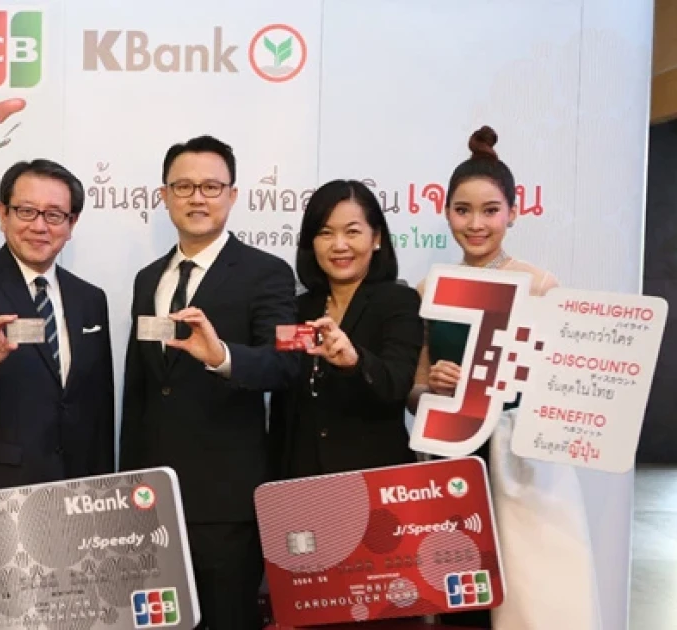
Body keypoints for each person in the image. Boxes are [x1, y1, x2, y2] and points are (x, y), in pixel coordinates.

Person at [410, 127, 600, 629]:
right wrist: (432, 386)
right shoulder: (431, 288)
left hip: (523, 463)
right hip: (454, 456)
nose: (475, 224)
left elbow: (563, 383)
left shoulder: (538, 284)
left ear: (513, 213)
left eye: (490, 211)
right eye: (463, 210)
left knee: (527, 593)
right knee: (463, 594)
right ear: (446, 212)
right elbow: (414, 390)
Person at [119, 135, 300, 630]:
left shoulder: (267, 273)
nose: (197, 198)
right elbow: (140, 389)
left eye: (211, 187)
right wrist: (128, 483)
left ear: (233, 195)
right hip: (152, 501)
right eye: (183, 186)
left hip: (226, 501)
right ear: (164, 196)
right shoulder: (147, 278)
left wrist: (222, 357)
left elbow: (285, 367)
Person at [0, 158, 115, 628]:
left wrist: (100, 501)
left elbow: (96, 407)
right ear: (2, 213)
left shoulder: (90, 299)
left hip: (68, 508)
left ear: (71, 224)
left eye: (54, 215)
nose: (39, 225)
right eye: (26, 211)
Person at [276, 179, 423, 481]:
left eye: (352, 232)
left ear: (376, 238)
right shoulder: (297, 307)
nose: (339, 245)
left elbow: (397, 384)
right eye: (325, 233)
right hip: (301, 480)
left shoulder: (399, 301)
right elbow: (284, 400)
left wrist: (355, 362)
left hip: (374, 478)